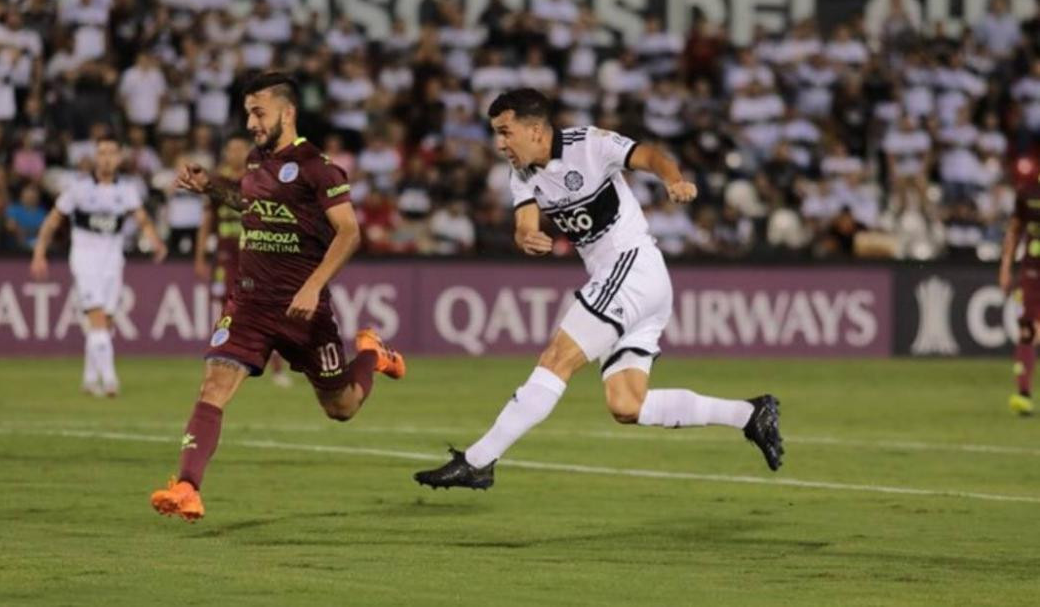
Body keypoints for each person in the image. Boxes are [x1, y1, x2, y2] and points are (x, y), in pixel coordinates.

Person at [413, 89, 784, 490]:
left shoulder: (589, 144)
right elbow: (524, 224)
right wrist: (527, 238)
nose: (500, 144)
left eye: (505, 132)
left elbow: (650, 156)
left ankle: (478, 460)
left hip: (631, 267)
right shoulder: (520, 175)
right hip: (636, 283)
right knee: (626, 404)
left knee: (556, 358)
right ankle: (749, 414)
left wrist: (673, 180)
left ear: (535, 130)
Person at [150, 72, 406, 521]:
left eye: (258, 112)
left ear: (287, 113)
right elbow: (250, 206)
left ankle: (371, 354)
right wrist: (210, 186)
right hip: (248, 302)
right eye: (248, 112)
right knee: (213, 385)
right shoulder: (255, 162)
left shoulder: (317, 167)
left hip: (302, 309)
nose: (251, 122)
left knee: (341, 407)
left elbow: (349, 233)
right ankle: (187, 487)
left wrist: (312, 286)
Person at [30, 136, 166, 397]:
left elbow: (142, 219)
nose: (106, 158)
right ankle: (110, 380)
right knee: (98, 319)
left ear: (119, 157)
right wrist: (39, 252)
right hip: (85, 259)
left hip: (113, 260)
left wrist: (154, 240)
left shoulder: (126, 190)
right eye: (101, 153)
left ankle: (90, 379)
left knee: (105, 323)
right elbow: (53, 220)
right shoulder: (79, 188)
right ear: (95, 156)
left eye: (111, 153)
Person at [194, 133, 293, 388]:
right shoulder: (217, 181)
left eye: (240, 148)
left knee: (268, 308)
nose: (236, 153)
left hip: (256, 251)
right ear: (226, 152)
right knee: (227, 310)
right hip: (227, 254)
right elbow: (207, 222)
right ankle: (221, 364)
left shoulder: (258, 178)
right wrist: (201, 256)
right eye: (232, 148)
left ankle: (276, 368)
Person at [999, 174, 1040, 416]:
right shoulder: (1028, 193)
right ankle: (1023, 394)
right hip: (1032, 271)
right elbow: (1014, 231)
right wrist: (1005, 267)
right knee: (1027, 329)